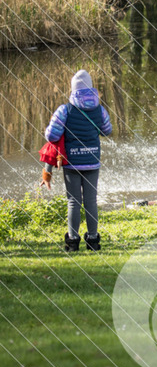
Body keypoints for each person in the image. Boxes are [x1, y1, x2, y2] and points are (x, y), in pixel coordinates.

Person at [44, 70, 112, 251]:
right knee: (91, 201)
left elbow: (52, 136)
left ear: (73, 89)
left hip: (72, 162)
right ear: (91, 88)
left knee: (73, 201)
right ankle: (93, 240)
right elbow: (107, 130)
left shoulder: (65, 110)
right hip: (92, 161)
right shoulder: (100, 109)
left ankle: (73, 241)